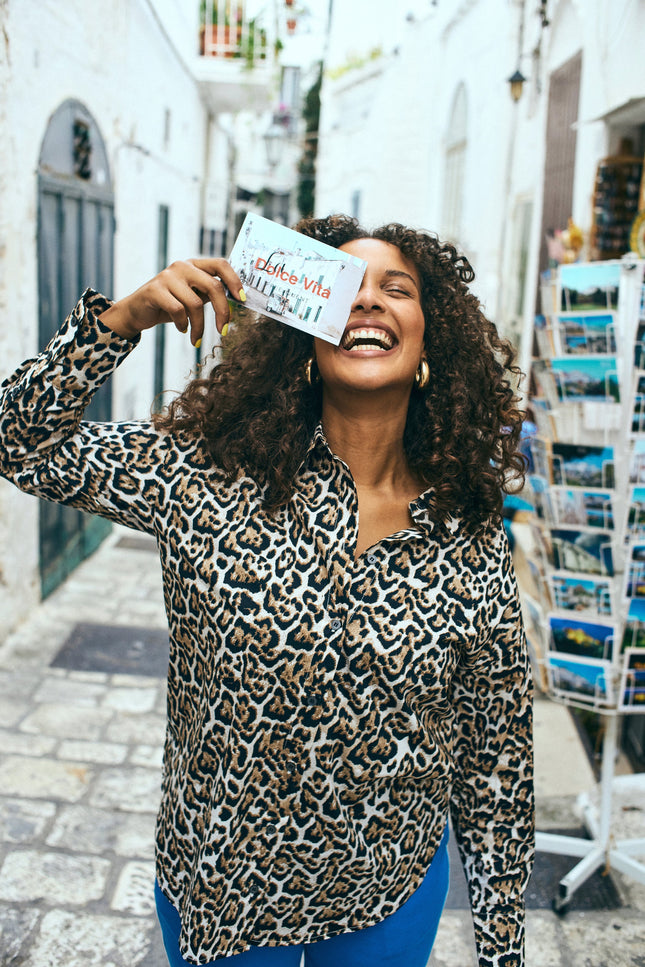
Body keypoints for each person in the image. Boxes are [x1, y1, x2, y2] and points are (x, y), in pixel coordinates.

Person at [0, 214, 534, 967]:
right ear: (306, 343)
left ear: (428, 345)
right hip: (226, 891)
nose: (370, 301)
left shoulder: (465, 528)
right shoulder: (204, 475)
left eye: (397, 289)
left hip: (387, 896)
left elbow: (495, 750)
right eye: (345, 286)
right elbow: (17, 441)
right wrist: (123, 321)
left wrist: (503, 946)